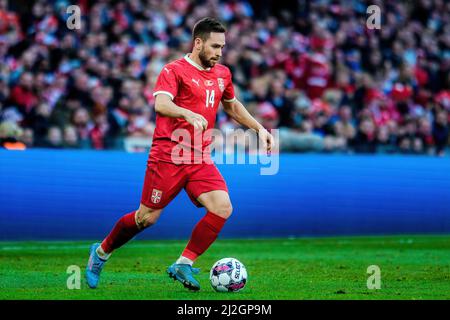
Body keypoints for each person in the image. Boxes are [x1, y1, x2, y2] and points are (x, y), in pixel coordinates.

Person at [85, 17, 274, 291]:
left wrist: (259, 129)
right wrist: (186, 112)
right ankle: (101, 252)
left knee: (223, 207)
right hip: (168, 156)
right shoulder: (173, 70)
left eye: (222, 47)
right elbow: (162, 104)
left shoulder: (223, 74)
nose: (220, 52)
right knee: (146, 218)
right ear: (198, 43)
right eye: (215, 46)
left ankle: (184, 263)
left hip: (199, 158)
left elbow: (232, 106)